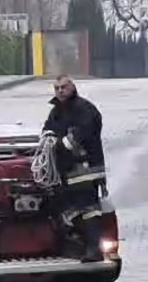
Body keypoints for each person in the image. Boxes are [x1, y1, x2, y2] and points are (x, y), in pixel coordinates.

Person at [43, 74, 106, 262]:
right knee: (66, 207)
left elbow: (84, 132)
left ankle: (93, 249)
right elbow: (47, 131)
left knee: (88, 209)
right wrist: (47, 142)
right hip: (66, 171)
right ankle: (78, 244)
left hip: (85, 169)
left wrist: (61, 146)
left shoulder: (84, 109)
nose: (60, 91)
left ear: (72, 87)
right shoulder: (56, 111)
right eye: (57, 88)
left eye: (63, 87)